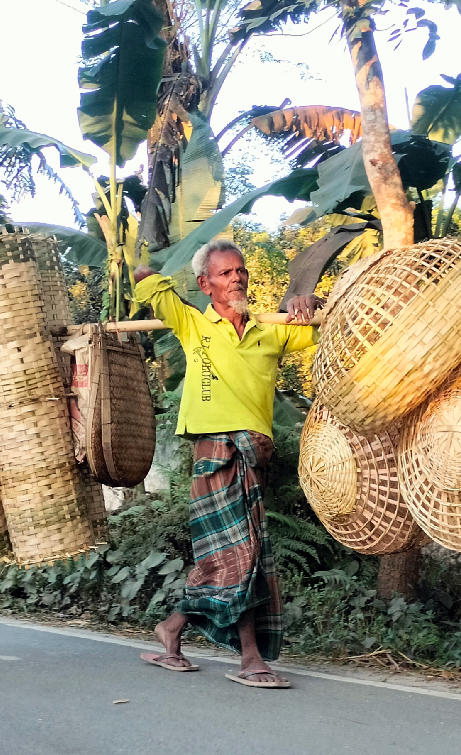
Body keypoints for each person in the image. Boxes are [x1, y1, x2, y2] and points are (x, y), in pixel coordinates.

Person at [132, 236, 323, 690]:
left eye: (240, 271)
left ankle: (173, 628)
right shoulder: (193, 325)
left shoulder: (270, 328)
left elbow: (313, 322)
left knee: (239, 555)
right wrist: (155, 274)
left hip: (254, 453)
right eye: (224, 273)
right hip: (213, 454)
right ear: (205, 284)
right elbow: (143, 278)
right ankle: (250, 657)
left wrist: (309, 299)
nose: (236, 278)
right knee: (239, 554)